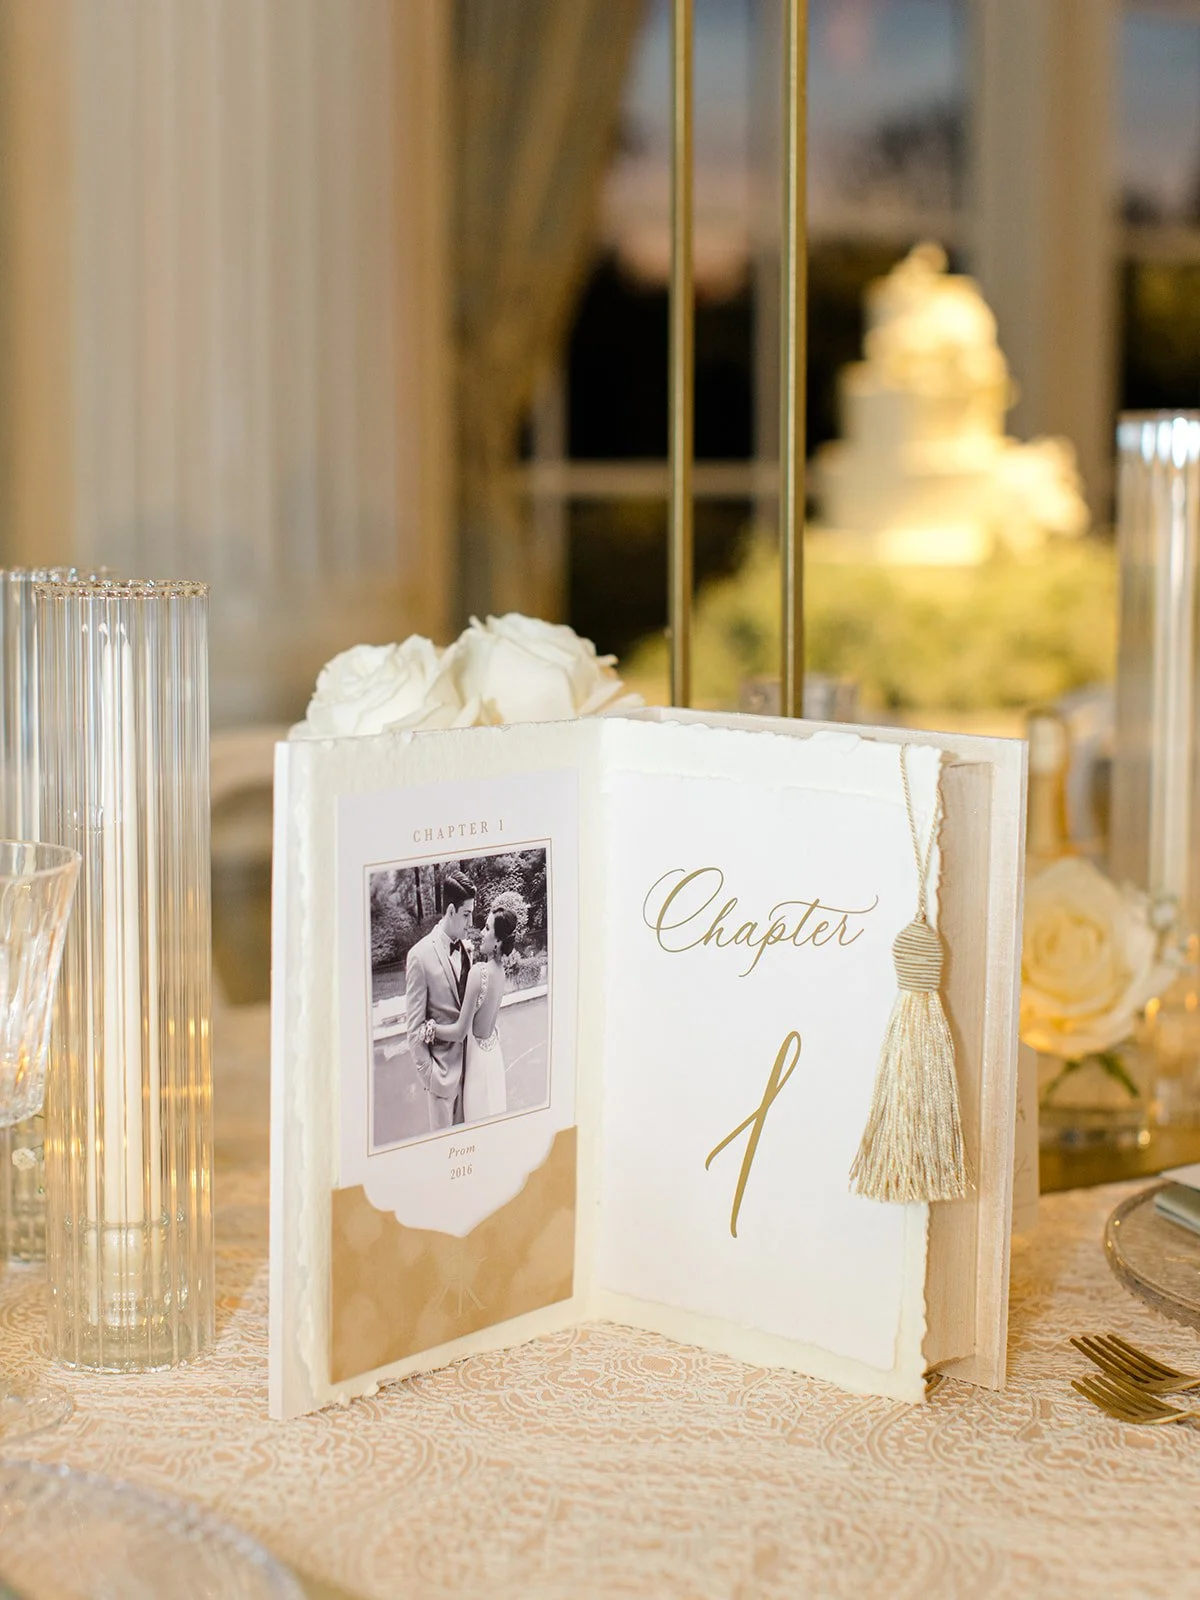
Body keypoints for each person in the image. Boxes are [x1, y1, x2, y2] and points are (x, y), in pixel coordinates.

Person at [428, 907, 517, 1124]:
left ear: (497, 942)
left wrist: (431, 1028)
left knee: (476, 1121)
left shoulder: (479, 973)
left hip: (477, 1064)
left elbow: (459, 1032)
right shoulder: (501, 973)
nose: (481, 933)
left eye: (487, 928)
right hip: (493, 1057)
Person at [405, 870, 476, 1130]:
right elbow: (414, 1029)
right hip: (442, 1079)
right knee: (444, 1157)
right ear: (450, 910)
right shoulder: (419, 956)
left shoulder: (467, 950)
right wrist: (431, 1077)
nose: (470, 922)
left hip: (472, 1075)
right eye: (466, 914)